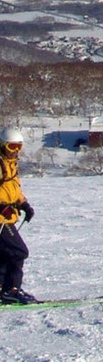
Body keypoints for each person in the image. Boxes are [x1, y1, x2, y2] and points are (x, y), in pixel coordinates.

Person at [0, 128, 38, 304]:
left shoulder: (10, 164)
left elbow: (13, 190)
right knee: (18, 251)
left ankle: (3, 289)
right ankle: (11, 290)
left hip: (6, 217)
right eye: (12, 146)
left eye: (18, 147)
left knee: (6, 253)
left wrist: (24, 204)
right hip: (1, 218)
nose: (15, 151)